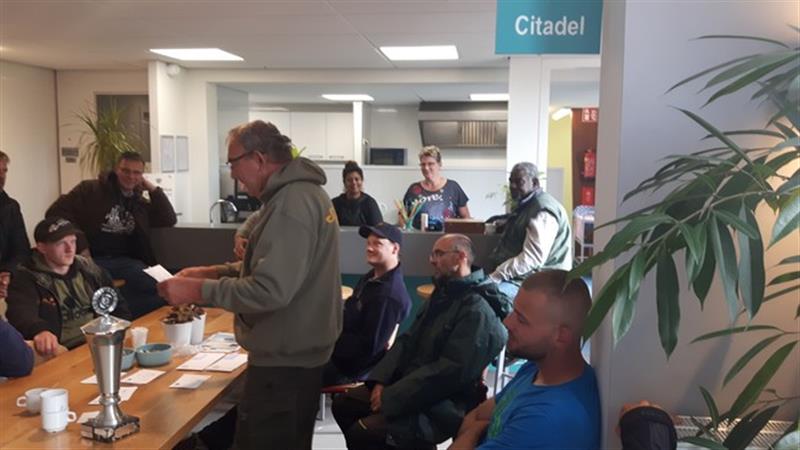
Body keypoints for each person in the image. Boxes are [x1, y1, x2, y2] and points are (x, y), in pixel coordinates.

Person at [156, 120, 342, 450]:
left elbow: (270, 290)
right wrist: (213, 273)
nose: (232, 174)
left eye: (233, 162)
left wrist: (197, 291)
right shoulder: (302, 195)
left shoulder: (291, 204)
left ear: (258, 158)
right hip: (297, 357)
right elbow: (277, 270)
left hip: (284, 364)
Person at [332, 234, 509, 450]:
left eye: (439, 254)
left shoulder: (478, 309)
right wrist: (381, 381)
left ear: (460, 257)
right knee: (344, 405)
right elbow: (408, 340)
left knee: (364, 433)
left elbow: (449, 372)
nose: (432, 260)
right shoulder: (444, 292)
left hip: (444, 401)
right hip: (413, 385)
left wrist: (392, 396)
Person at [449, 270, 600, 450]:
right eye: (514, 311)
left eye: (521, 320)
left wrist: (474, 431)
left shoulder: (546, 420)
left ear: (562, 335)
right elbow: (475, 416)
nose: (507, 322)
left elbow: (473, 423)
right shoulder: (535, 368)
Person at [46, 151, 177, 318]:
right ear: (116, 170)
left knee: (164, 287)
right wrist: (81, 243)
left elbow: (168, 218)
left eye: (136, 173)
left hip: (126, 261)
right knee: (130, 286)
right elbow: (55, 212)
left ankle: (123, 316)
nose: (131, 176)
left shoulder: (138, 202)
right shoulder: (90, 190)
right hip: (93, 259)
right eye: (126, 171)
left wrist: (153, 188)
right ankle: (119, 316)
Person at [5, 217, 132, 357]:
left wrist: (121, 330)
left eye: (73, 241)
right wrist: (40, 331)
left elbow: (116, 304)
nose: (70, 249)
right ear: (42, 247)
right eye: (61, 243)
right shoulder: (26, 277)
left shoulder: (89, 269)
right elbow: (21, 314)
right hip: (61, 351)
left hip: (101, 341)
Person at [325, 222, 412, 385]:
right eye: (368, 243)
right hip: (337, 354)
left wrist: (328, 343)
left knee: (293, 370)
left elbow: (367, 350)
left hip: (348, 369)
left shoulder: (388, 296)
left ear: (395, 249)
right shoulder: (371, 277)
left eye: (377, 244)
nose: (369, 248)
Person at [485, 162, 573, 299]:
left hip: (542, 282)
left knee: (486, 297)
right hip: (523, 277)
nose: (513, 186)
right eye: (511, 181)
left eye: (519, 182)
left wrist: (496, 276)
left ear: (535, 182)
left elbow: (531, 259)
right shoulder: (527, 205)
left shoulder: (543, 211)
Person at [402, 146, 469, 230]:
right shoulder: (413, 189)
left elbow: (466, 217)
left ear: (439, 164)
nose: (426, 168)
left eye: (430, 164)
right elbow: (402, 216)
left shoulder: (453, 187)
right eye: (423, 164)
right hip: (418, 237)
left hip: (448, 237)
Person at [0, 150, 31, 300]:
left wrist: (8, 272)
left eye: (4, 170)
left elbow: (22, 251)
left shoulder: (11, 207)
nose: (1, 176)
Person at [333, 161, 383, 227]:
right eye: (349, 180)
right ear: (344, 182)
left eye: (356, 179)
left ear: (362, 181)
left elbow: (379, 229)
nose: (353, 183)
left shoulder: (370, 203)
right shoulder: (335, 204)